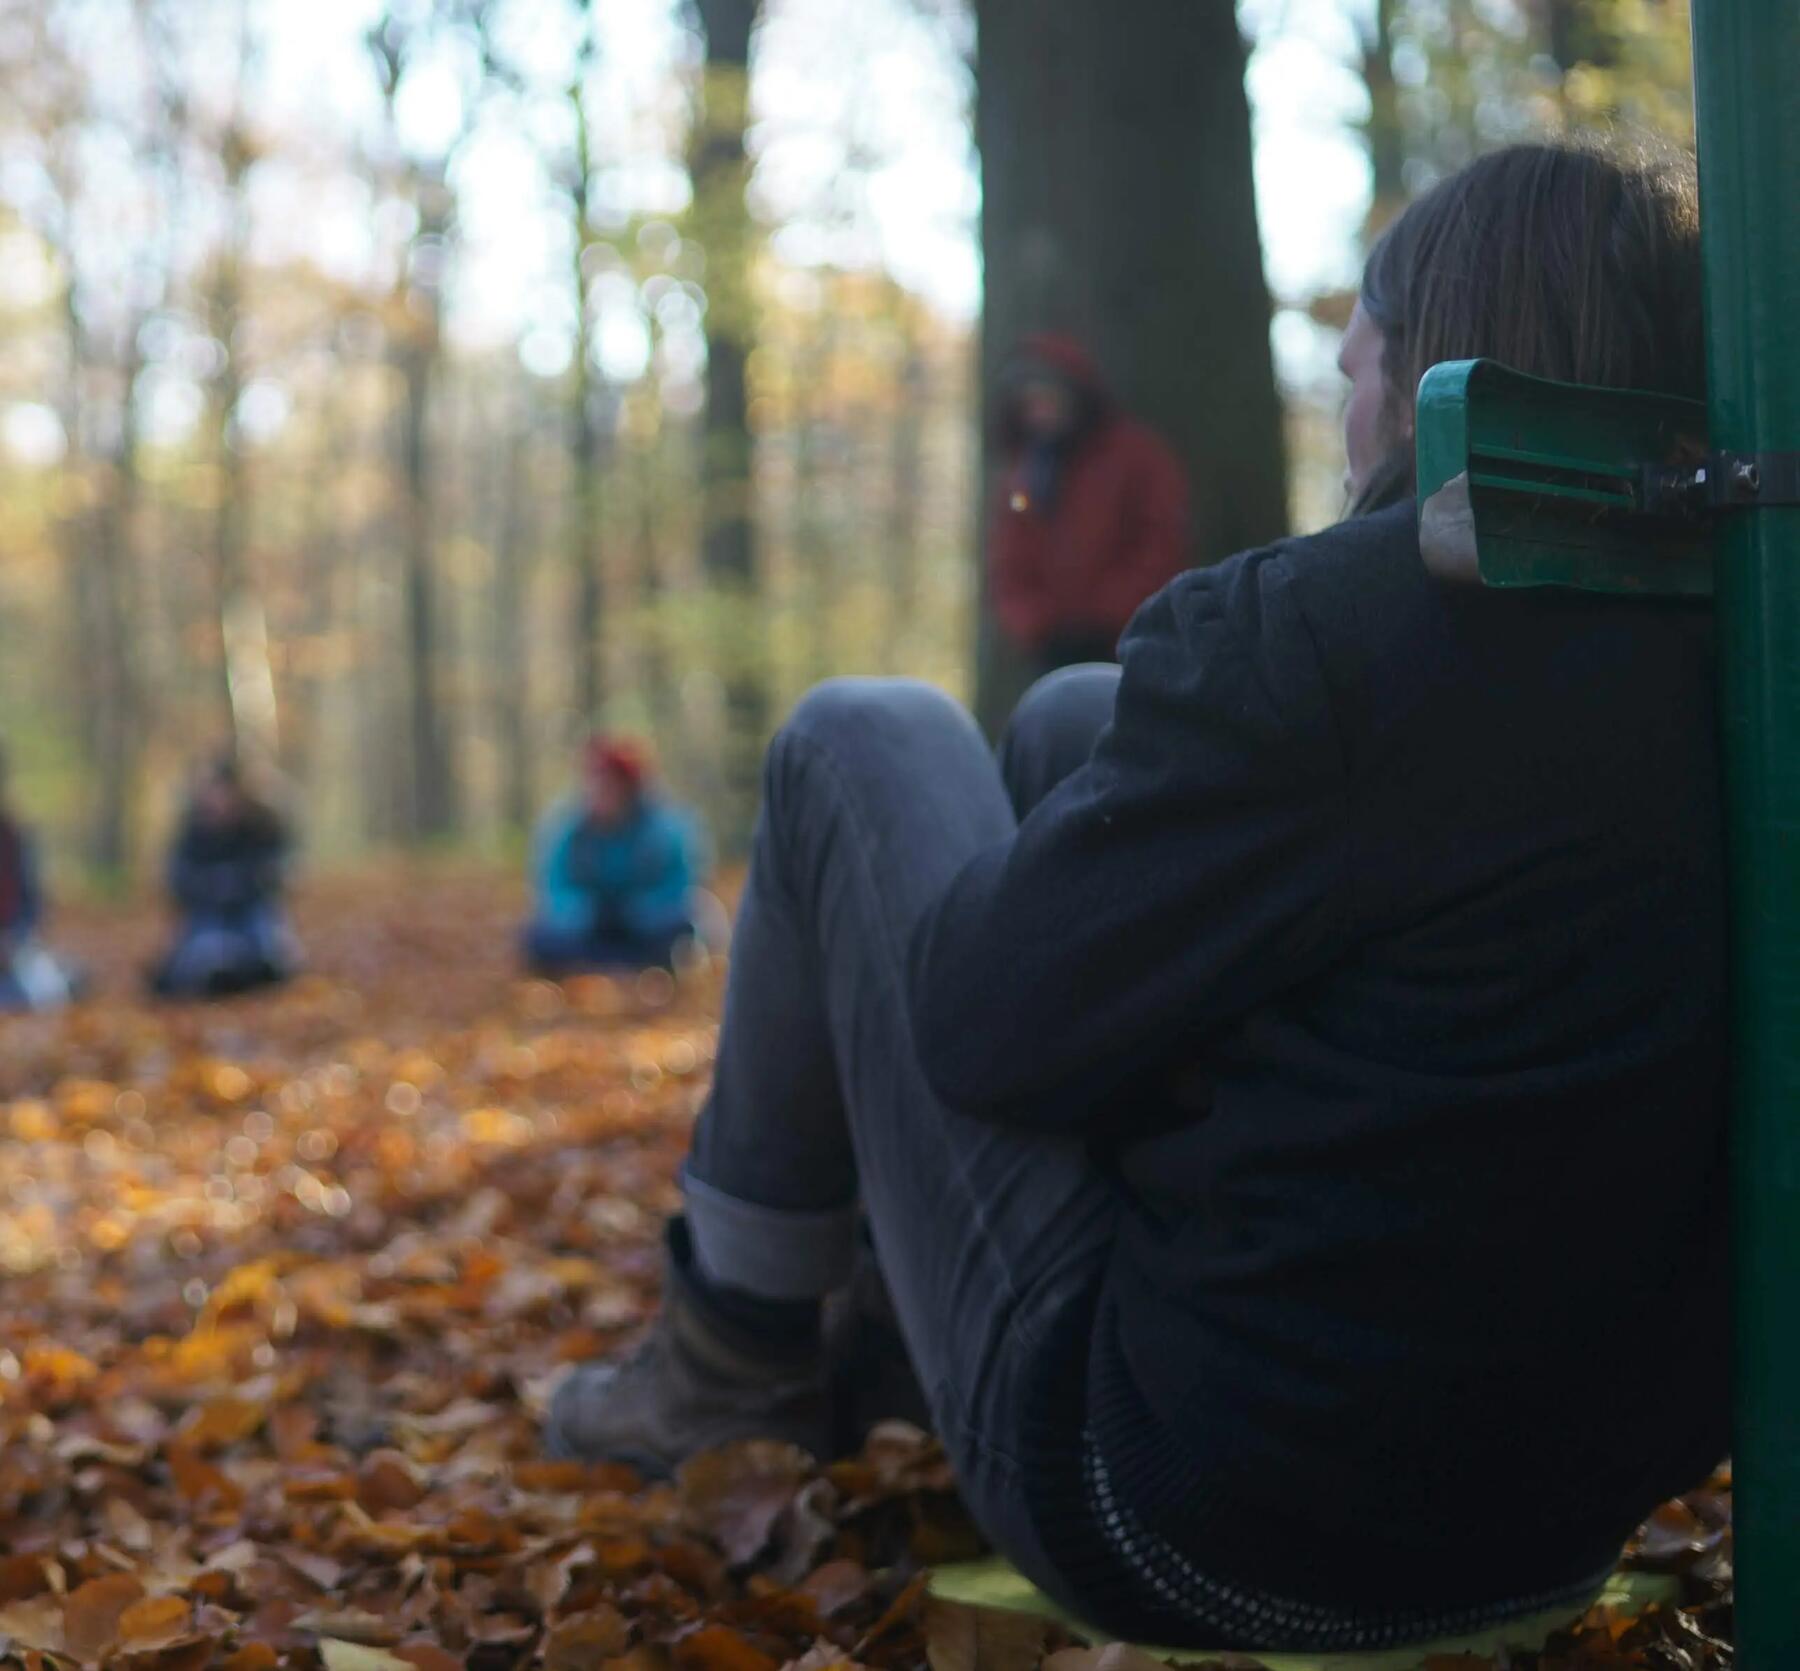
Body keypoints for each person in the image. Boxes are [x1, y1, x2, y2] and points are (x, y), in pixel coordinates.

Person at [544, 142, 1726, 1656]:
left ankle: (736, 1344)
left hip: (1195, 1513)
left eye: (1355, 355)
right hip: (1548, 1522)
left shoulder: (1329, 635)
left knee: (865, 737)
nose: (1344, 391)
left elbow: (974, 1030)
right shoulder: (1730, 644)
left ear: (1427, 371)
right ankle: (894, 1336)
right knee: (1072, 724)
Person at [988, 333, 1189, 678]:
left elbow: (1161, 542)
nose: (1040, 412)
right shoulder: (1024, 478)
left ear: (1074, 396)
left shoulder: (1136, 457)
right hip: (1052, 653)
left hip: (1132, 644)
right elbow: (1011, 559)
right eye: (1030, 402)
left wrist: (1106, 617)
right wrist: (1039, 626)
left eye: (1048, 398)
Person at [523, 739, 705, 975]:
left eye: (612, 784)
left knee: (679, 933)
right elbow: (552, 890)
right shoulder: (566, 829)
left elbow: (680, 890)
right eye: (597, 783)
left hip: (643, 928)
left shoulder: (666, 829)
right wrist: (590, 913)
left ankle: (622, 964)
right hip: (587, 929)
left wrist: (634, 913)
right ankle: (608, 964)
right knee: (537, 938)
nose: (603, 793)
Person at [150, 757, 297, 999]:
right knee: (199, 944)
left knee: (266, 939)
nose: (217, 800)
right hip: (206, 914)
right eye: (212, 791)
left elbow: (278, 874)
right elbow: (177, 882)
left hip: (250, 913)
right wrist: (211, 886)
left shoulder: (261, 827)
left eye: (224, 792)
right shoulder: (192, 833)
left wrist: (240, 883)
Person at [0, 751, 80, 1012]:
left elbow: (32, 904)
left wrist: (15, 941)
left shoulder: (15, 838)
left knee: (34, 994)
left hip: (11, 951)